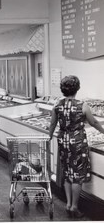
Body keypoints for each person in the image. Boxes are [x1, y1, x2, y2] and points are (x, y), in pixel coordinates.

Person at [49, 75, 104, 218]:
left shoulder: (57, 105)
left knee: (67, 173)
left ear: (62, 89)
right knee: (77, 175)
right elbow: (94, 123)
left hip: (63, 141)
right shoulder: (82, 105)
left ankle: (68, 204)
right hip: (78, 142)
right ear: (77, 88)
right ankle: (74, 207)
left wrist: (49, 136)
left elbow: (52, 124)